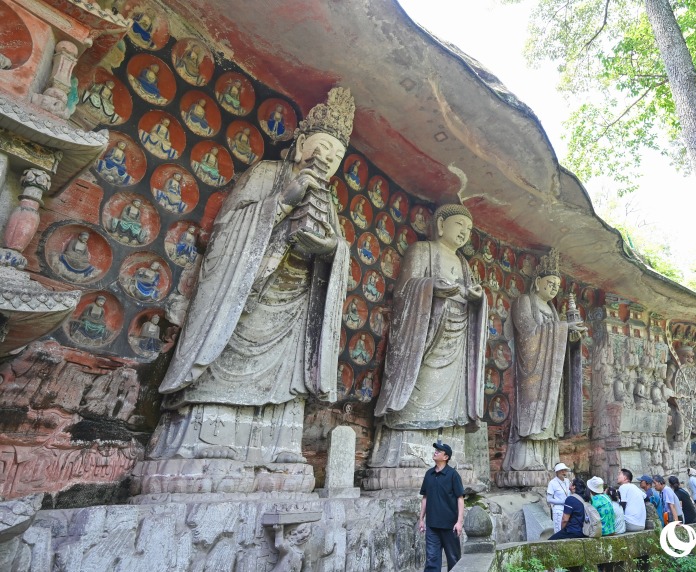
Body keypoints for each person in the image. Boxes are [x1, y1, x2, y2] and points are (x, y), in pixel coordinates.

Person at [148, 87, 354, 466]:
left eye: (337, 155)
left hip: (295, 298)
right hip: (249, 288)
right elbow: (229, 227)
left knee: (284, 376)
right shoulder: (268, 173)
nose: (326, 159)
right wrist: (284, 199)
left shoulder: (330, 201)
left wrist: (331, 250)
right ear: (302, 141)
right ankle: (203, 438)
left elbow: (337, 249)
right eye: (322, 147)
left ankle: (279, 447)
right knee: (227, 349)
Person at [370, 204, 486, 471]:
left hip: (456, 336)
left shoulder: (464, 263)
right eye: (459, 225)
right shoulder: (422, 250)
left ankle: (450, 455)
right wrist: (431, 286)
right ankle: (405, 452)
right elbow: (404, 290)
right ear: (441, 225)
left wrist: (478, 298)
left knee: (453, 396)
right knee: (418, 384)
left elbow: (471, 293)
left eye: (468, 229)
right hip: (424, 333)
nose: (464, 233)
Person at [502, 248, 586, 473]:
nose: (553, 289)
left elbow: (557, 337)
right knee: (531, 413)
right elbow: (527, 333)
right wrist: (561, 330)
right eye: (550, 283)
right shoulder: (524, 301)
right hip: (532, 370)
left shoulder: (553, 310)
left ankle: (549, 460)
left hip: (552, 372)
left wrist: (571, 336)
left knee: (551, 415)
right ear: (538, 282)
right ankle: (525, 460)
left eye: (557, 286)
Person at [419, 442, 464, 572]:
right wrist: (421, 519)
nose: (435, 452)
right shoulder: (429, 474)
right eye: (436, 450)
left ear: (446, 457)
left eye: (439, 451)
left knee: (453, 559)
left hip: (450, 525)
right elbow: (425, 498)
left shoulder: (453, 475)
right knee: (431, 560)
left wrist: (459, 522)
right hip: (432, 525)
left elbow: (460, 498)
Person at [546, 463, 571, 533]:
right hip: (558, 510)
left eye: (565, 470)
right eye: (561, 470)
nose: (564, 472)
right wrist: (562, 501)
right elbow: (549, 499)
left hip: (568, 509)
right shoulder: (552, 483)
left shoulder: (567, 481)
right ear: (557, 472)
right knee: (559, 530)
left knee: (567, 530)